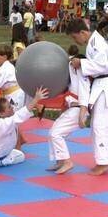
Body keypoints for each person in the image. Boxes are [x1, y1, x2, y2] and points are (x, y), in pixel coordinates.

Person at [67, 17, 108, 174]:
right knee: (98, 125)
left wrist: (81, 63)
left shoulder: (95, 43)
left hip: (106, 86)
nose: (76, 40)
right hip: (103, 85)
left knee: (102, 125)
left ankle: (104, 162)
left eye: (75, 37)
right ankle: (102, 161)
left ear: (82, 32)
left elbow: (102, 66)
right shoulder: (93, 43)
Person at [47, 44, 91, 174]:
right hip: (71, 109)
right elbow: (68, 59)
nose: (71, 65)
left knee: (56, 134)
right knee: (52, 133)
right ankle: (60, 161)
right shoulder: (74, 73)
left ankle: (67, 161)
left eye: (74, 63)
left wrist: (82, 116)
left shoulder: (83, 76)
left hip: (78, 110)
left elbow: (84, 97)